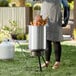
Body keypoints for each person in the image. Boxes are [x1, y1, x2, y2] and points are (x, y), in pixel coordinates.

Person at [40, 0, 70, 69]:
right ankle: (47, 61)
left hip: (55, 17)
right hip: (45, 17)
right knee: (46, 39)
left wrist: (66, 19)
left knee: (56, 40)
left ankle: (57, 62)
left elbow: (66, 5)